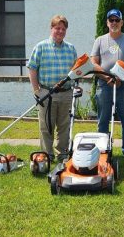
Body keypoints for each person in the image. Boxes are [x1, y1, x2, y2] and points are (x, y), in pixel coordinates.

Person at [27, 15, 77, 162]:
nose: (60, 31)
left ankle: (62, 154)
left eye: (63, 29)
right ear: (52, 29)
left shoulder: (71, 49)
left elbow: (75, 70)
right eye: (57, 28)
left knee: (64, 127)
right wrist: (36, 90)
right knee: (46, 127)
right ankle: (46, 156)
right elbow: (32, 68)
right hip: (46, 93)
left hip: (66, 93)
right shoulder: (41, 47)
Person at [90, 8, 124, 157]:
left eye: (117, 20)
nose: (114, 23)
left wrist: (121, 78)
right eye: (111, 20)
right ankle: (102, 149)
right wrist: (107, 78)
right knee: (103, 119)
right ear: (107, 22)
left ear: (122, 22)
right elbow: (94, 62)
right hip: (104, 85)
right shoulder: (100, 40)